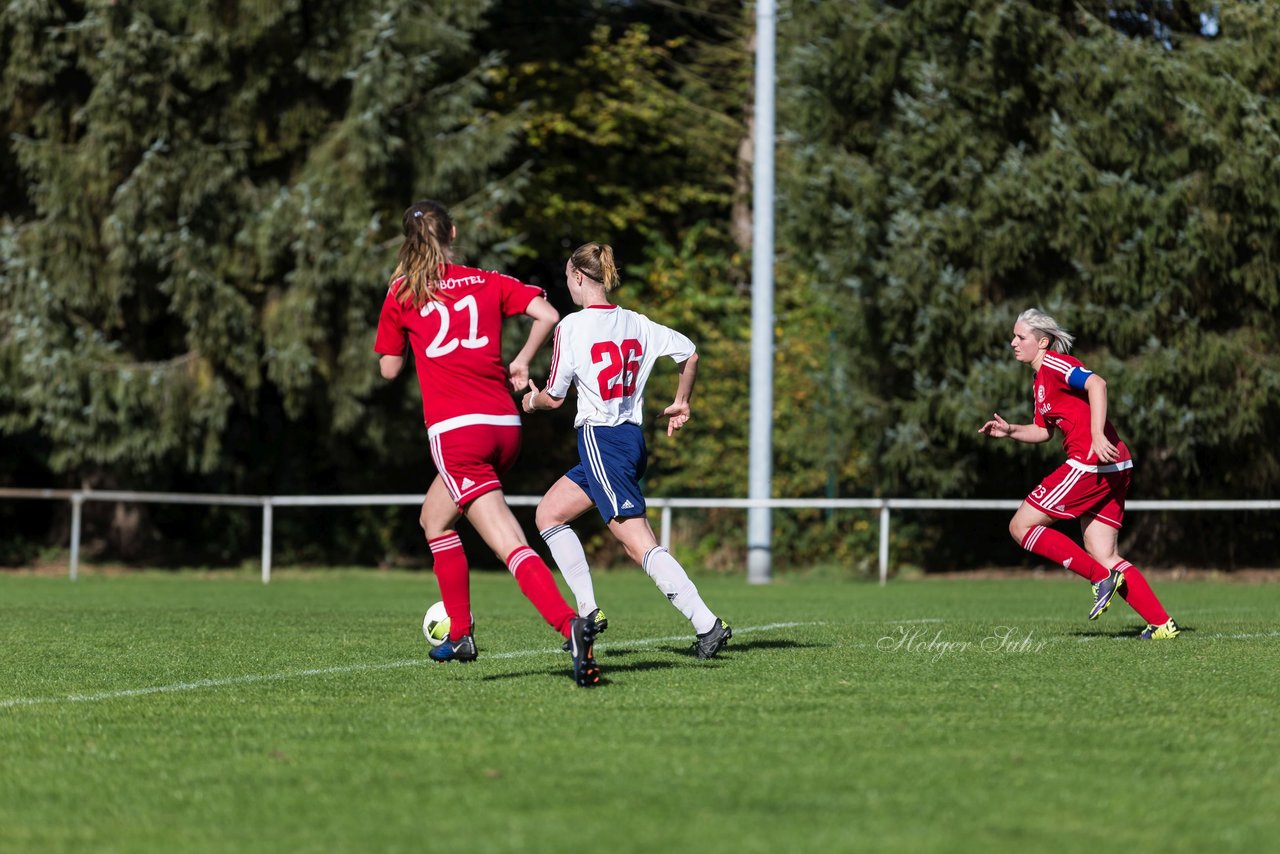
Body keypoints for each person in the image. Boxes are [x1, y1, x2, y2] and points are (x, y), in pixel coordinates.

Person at [374, 200, 602, 686]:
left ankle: (570, 625)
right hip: (503, 424)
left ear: (406, 242)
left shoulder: (401, 293)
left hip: (458, 432)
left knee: (508, 542)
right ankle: (460, 634)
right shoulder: (486, 280)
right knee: (434, 518)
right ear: (453, 232)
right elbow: (548, 313)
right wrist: (520, 362)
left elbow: (389, 369)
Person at [522, 242, 732, 659]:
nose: (568, 285)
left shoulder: (571, 327)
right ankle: (587, 613)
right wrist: (681, 400)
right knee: (548, 514)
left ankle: (708, 625)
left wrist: (530, 401)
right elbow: (689, 353)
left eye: (568, 278)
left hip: (602, 439)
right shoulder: (636, 322)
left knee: (637, 543)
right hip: (629, 441)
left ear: (579, 278)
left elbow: (555, 397)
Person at [978, 308, 1180, 639]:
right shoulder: (1039, 379)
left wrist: (1098, 435)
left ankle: (1100, 578)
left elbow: (1097, 384)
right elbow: (1044, 431)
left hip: (1091, 463)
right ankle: (1161, 624)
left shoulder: (1056, 364)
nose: (1013, 342)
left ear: (1043, 342)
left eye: (1020, 337)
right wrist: (1011, 430)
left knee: (1020, 526)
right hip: (1115, 464)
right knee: (1105, 553)